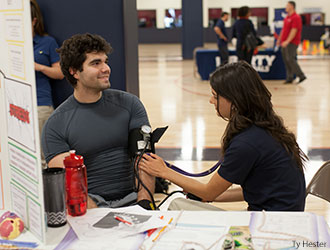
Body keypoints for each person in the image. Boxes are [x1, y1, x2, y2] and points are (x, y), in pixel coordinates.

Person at [140, 61, 307, 211]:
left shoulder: (247, 143)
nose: (211, 101)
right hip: (280, 216)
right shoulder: (266, 127)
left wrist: (163, 171)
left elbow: (209, 192)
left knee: (176, 205)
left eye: (215, 95)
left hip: (269, 225)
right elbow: (258, 189)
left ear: (234, 101)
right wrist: (205, 195)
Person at [41, 33, 155, 210]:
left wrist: (144, 203)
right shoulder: (56, 124)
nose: (106, 68)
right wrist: (98, 215)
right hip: (89, 207)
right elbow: (68, 182)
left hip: (133, 199)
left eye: (105, 61)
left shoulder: (130, 104)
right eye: (96, 63)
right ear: (74, 71)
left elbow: (145, 160)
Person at [30, 0, 64, 166]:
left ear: (34, 21)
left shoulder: (48, 42)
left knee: (42, 157)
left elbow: (60, 73)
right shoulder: (8, 44)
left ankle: (44, 191)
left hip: (40, 105)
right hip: (14, 105)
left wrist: (38, 67)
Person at [276, 1, 306, 84]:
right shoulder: (287, 17)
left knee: (291, 59)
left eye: (287, 5)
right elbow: (283, 29)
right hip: (284, 42)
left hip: (292, 42)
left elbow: (294, 30)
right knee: (286, 60)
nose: (286, 7)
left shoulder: (296, 17)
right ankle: (289, 77)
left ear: (292, 6)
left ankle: (301, 75)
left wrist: (287, 41)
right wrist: (279, 39)